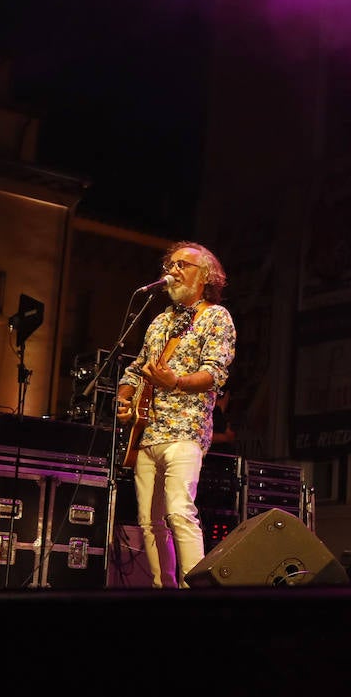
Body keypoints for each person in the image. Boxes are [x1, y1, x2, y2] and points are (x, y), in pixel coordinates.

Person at [115, 241, 236, 587]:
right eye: (171, 263)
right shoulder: (158, 322)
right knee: (147, 520)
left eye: (184, 264)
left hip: (186, 430)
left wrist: (177, 381)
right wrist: (125, 400)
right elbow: (136, 370)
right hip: (148, 432)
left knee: (180, 512)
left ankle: (193, 589)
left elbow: (215, 374)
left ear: (206, 276)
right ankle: (161, 587)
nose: (174, 269)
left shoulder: (215, 317)